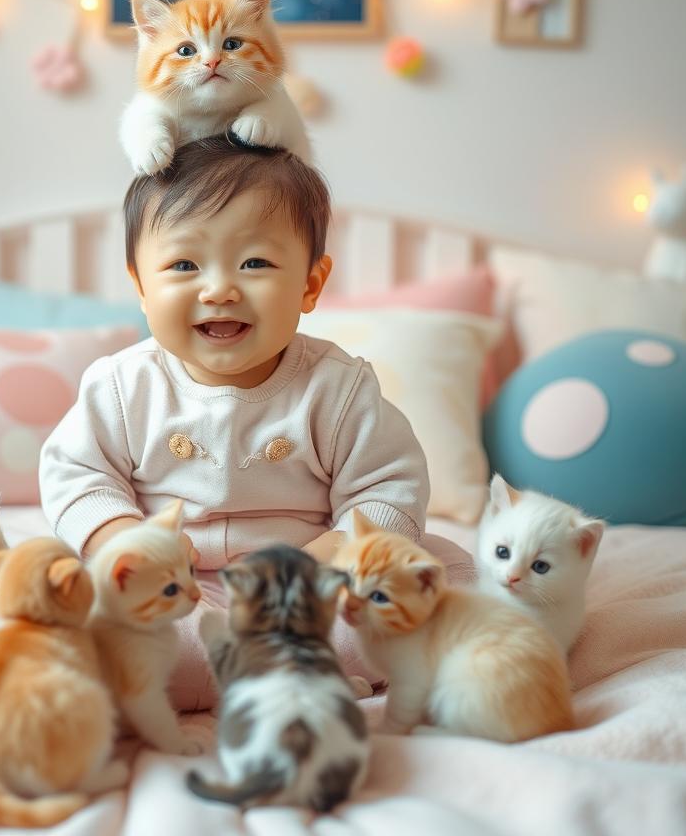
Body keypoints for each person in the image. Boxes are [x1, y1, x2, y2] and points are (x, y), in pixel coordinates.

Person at [40, 135, 474, 709]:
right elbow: (77, 474)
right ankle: (286, 673)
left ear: (311, 285)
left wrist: (334, 553)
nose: (219, 288)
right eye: (184, 264)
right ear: (142, 286)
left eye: (255, 262)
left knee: (451, 574)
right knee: (49, 596)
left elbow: (389, 488)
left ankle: (253, 671)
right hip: (168, 591)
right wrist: (119, 539)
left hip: (304, 591)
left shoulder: (337, 388)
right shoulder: (123, 385)